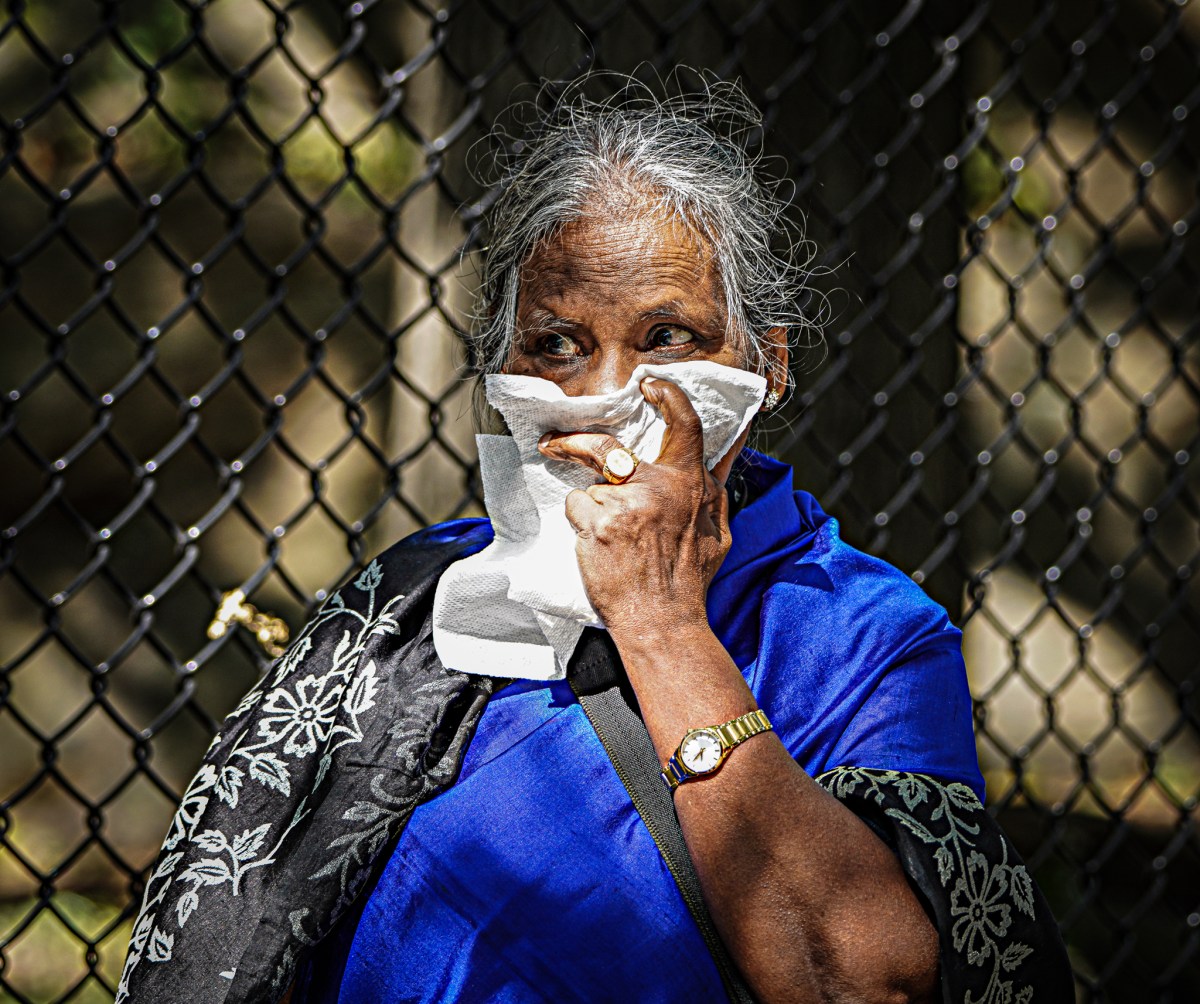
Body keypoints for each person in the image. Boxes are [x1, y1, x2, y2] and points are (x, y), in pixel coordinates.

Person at [117, 75, 1073, 1004]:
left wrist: (659, 623)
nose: (602, 397)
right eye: (558, 345)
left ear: (768, 368)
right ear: (501, 364)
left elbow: (866, 983)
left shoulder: (865, 635)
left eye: (665, 337)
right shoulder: (409, 606)